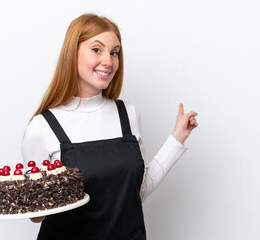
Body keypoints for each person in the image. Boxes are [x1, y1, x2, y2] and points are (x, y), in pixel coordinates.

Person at [22, 13, 198, 240]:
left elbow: (136, 192)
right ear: (72, 53)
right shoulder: (42, 127)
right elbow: (35, 215)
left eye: (114, 52)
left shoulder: (128, 114)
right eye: (97, 49)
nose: (109, 61)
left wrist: (177, 138)